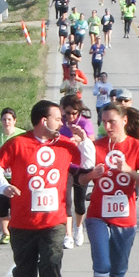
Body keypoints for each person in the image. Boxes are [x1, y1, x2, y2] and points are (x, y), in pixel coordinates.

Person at [0, 100, 93, 277]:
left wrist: (84, 140)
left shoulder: (65, 144)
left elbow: (87, 164)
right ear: (44, 121)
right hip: (22, 222)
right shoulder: (18, 143)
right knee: (24, 272)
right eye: (58, 118)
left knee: (51, 266)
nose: (62, 122)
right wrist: (3, 187)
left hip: (54, 222)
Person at [80, 101, 139, 277]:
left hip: (124, 216)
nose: (107, 126)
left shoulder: (137, 147)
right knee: (102, 264)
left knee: (118, 269)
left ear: (124, 121)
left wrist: (129, 170)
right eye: (104, 122)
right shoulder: (96, 146)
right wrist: (91, 175)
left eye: (112, 122)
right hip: (98, 215)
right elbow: (80, 179)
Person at [0, 107, 25, 245]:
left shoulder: (21, 135)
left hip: (17, 175)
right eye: (4, 119)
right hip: (0, 176)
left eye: (9, 119)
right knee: (2, 206)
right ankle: (5, 233)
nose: (6, 122)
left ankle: (17, 230)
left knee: (17, 205)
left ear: (14, 121)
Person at [60, 93, 95, 248]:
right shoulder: (60, 123)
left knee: (79, 203)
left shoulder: (85, 123)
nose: (70, 116)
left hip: (82, 167)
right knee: (66, 201)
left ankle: (78, 228)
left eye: (74, 113)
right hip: (66, 166)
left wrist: (81, 139)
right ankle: (68, 235)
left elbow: (92, 143)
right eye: (67, 113)